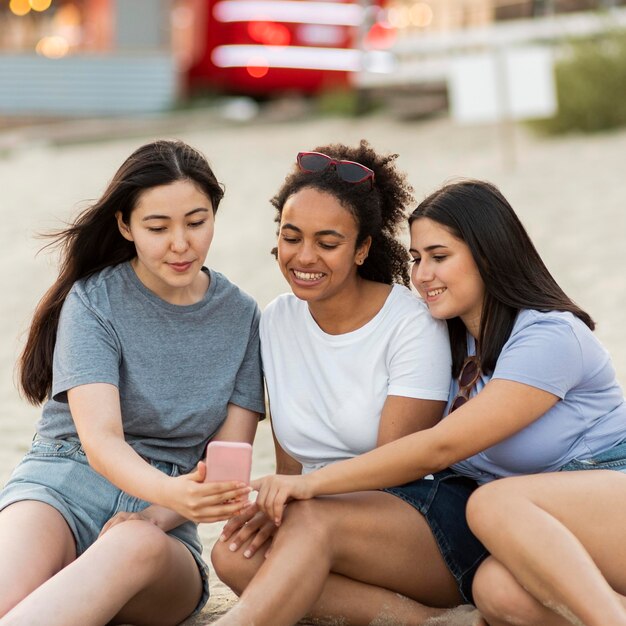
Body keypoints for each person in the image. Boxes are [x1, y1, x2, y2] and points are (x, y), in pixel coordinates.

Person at [243, 179, 626, 626]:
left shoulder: (548, 335)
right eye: (416, 258)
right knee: (494, 590)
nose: (422, 275)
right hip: (542, 532)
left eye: (440, 257)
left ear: (489, 254)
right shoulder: (455, 342)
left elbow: (440, 447)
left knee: (492, 504)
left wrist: (310, 484)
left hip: (606, 489)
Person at [212, 144, 487, 625]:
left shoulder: (411, 322)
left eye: (327, 242)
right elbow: (290, 463)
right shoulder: (276, 321)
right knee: (233, 554)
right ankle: (421, 621)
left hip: (424, 519)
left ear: (362, 249)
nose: (304, 256)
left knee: (308, 522)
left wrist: (301, 500)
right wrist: (278, 502)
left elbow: (396, 468)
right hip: (320, 518)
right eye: (291, 237)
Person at [0, 140, 265, 626]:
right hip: (62, 486)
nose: (180, 243)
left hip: (163, 529)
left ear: (214, 214)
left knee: (134, 542)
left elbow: (228, 465)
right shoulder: (93, 300)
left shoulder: (244, 317)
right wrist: (175, 493)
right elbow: (101, 441)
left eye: (196, 221)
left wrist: (164, 509)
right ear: (126, 226)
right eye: (158, 227)